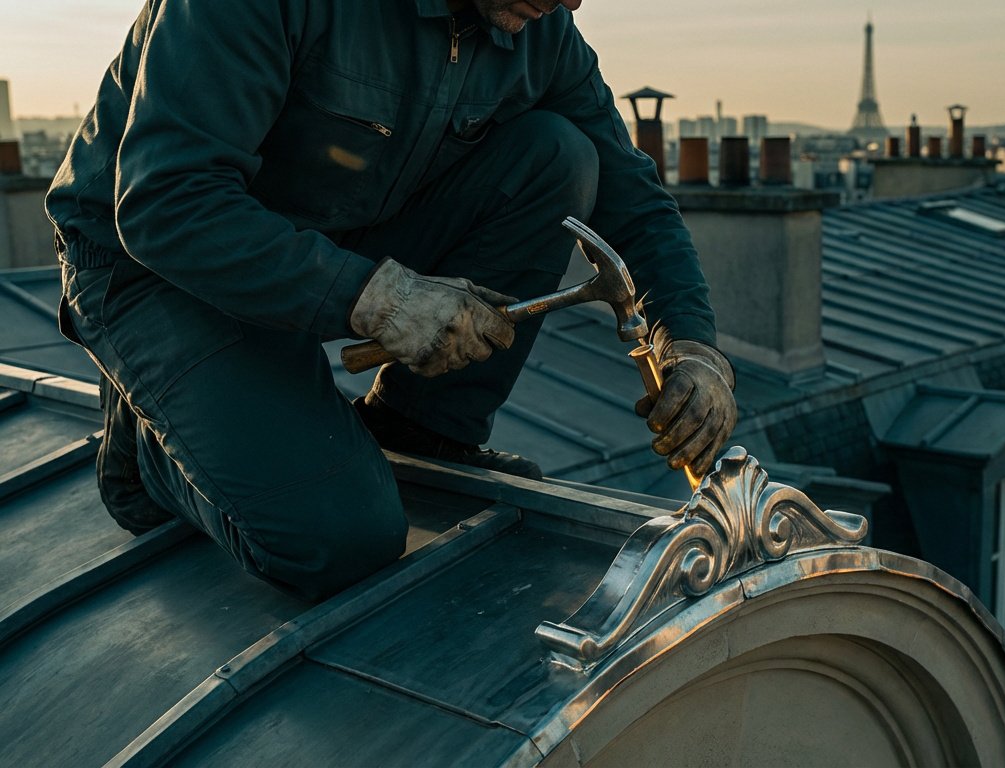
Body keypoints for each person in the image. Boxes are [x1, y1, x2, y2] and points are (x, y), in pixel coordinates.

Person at [45, 0, 737, 601]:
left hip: (324, 244)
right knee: (338, 540)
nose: (573, 3)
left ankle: (422, 430)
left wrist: (699, 351)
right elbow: (167, 202)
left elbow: (633, 198)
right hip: (152, 265)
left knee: (561, 155)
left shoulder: (541, 33)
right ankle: (149, 452)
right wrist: (378, 298)